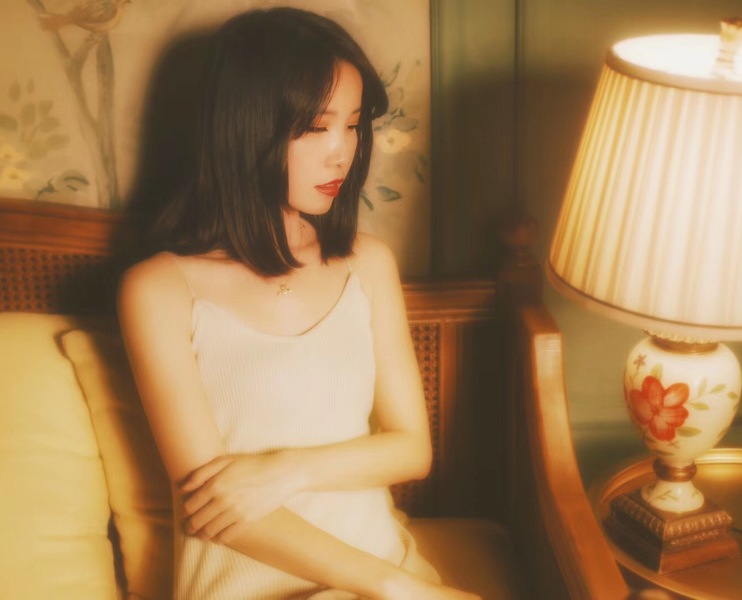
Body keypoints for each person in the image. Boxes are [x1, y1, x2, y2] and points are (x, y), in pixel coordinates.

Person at [118, 7, 481, 600]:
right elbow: (215, 506)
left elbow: (411, 449)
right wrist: (395, 588)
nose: (342, 153)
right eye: (315, 127)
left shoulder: (368, 263)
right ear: (244, 129)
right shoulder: (159, 290)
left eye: (353, 125)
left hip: (385, 570)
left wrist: (283, 470)